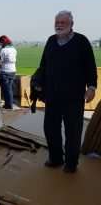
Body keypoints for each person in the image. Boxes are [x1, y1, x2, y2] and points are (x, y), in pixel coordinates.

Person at [38, 10, 97, 173]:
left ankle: (71, 163)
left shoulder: (81, 41)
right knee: (50, 129)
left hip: (74, 96)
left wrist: (91, 87)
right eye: (57, 22)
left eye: (63, 22)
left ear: (71, 24)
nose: (59, 25)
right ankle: (56, 158)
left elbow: (90, 67)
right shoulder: (51, 41)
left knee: (73, 130)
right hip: (52, 95)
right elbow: (43, 66)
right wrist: (39, 85)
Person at [0, 35, 17, 109]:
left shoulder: (3, 50)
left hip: (5, 71)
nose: (0, 44)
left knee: (6, 90)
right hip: (13, 71)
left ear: (3, 42)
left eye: (0, 43)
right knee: (10, 89)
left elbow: (0, 61)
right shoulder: (14, 49)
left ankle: (8, 105)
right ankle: (10, 103)